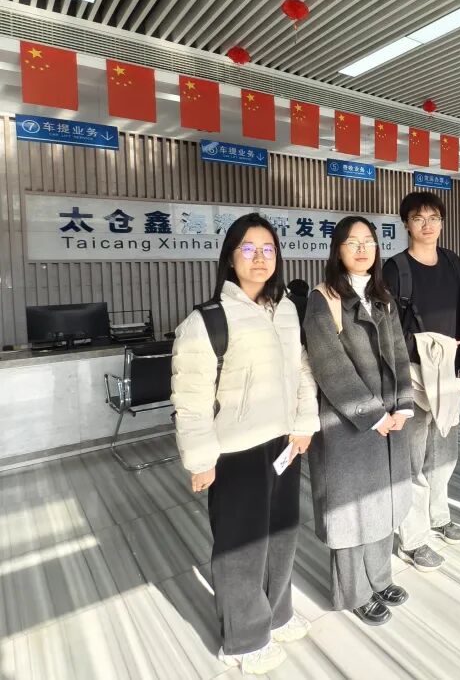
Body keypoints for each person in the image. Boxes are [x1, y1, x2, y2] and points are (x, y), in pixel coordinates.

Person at [172, 213, 318, 676]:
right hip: (236, 451)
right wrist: (200, 460)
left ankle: (277, 613)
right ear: (230, 258)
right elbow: (190, 399)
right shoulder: (207, 320)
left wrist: (305, 424)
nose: (260, 258)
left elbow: (302, 371)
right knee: (241, 546)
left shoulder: (287, 310)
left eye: (268, 249)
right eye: (249, 249)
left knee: (282, 534)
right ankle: (244, 639)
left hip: (284, 441)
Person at [303, 216, 412, 626]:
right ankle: (354, 592)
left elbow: (399, 352)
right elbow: (330, 367)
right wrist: (373, 414)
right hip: (347, 426)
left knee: (382, 501)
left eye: (369, 241)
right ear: (338, 250)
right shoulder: (323, 298)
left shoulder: (383, 297)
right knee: (350, 511)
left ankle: (380, 578)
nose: (363, 249)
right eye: (353, 242)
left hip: (388, 421)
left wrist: (402, 405)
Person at [383, 192, 460, 573]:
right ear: (406, 223)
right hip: (414, 374)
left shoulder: (454, 263)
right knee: (412, 457)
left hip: (448, 373)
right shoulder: (395, 269)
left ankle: (438, 516)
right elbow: (387, 328)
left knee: (443, 451)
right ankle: (413, 537)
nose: (427, 225)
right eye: (418, 218)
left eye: (434, 218)